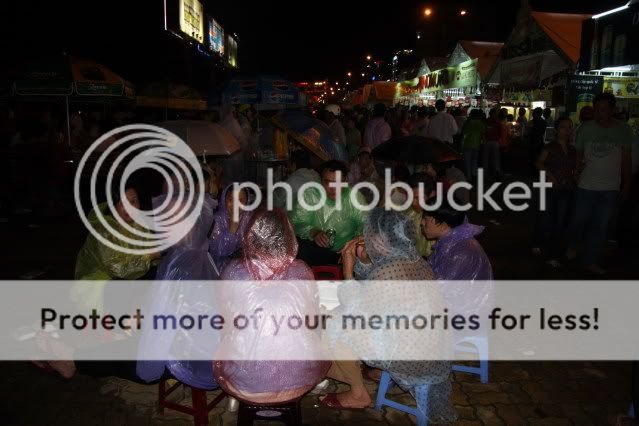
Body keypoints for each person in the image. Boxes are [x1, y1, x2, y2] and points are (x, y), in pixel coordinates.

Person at [320, 209, 455, 422]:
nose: (366, 237)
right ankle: (354, 373)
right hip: (435, 349)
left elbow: (354, 309)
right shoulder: (416, 261)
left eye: (370, 234)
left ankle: (357, 392)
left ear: (382, 239)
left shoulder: (386, 273)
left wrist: (348, 269)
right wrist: (365, 259)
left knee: (335, 325)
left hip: (409, 357)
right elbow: (377, 284)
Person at [214, 208, 330, 403]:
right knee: (321, 322)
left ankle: (235, 395)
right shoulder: (302, 271)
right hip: (299, 380)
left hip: (245, 384)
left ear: (249, 236)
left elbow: (224, 323)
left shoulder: (233, 272)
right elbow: (312, 321)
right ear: (288, 236)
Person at [137, 176, 220, 388]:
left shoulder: (180, 264)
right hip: (215, 355)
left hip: (191, 360)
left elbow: (162, 328)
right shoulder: (201, 254)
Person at [566, 93, 633, 274]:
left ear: (612, 110)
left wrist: (626, 184)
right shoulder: (586, 128)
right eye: (597, 109)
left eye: (603, 109)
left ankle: (590, 260)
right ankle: (573, 244)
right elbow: (579, 155)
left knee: (600, 226)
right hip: (586, 184)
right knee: (578, 220)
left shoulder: (623, 130)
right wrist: (576, 174)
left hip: (610, 187)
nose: (599, 113)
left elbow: (626, 159)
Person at [73, 185, 157, 312]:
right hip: (100, 285)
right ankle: (117, 320)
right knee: (121, 287)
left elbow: (154, 252)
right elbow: (118, 270)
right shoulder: (104, 231)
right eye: (123, 203)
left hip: (130, 276)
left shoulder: (140, 224)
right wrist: (151, 255)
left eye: (133, 201)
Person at [290, 160, 368, 266]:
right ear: (320, 181)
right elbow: (296, 222)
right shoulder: (310, 195)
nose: (333, 188)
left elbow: (366, 224)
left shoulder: (354, 197)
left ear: (345, 181)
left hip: (347, 251)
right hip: (316, 251)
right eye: (327, 182)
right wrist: (314, 233)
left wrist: (354, 244)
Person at [531, 117, 576, 264]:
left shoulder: (572, 149)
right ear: (556, 129)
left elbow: (574, 168)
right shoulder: (550, 147)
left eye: (569, 127)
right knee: (544, 216)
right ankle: (538, 242)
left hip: (566, 188)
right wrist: (550, 175)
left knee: (560, 219)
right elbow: (539, 163)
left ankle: (553, 247)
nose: (567, 130)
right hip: (549, 187)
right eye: (563, 127)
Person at [422, 197, 493, 281]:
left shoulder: (459, 251)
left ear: (443, 225)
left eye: (425, 219)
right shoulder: (451, 242)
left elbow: (442, 285)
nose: (422, 223)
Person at [208, 184, 252, 271]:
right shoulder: (217, 220)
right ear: (224, 200)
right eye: (231, 200)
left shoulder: (250, 219)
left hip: (244, 270)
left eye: (240, 200)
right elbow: (218, 252)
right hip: (220, 271)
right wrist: (232, 230)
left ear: (247, 202)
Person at [461, 109, 485, 180]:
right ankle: (474, 174)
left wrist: (461, 145)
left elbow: (464, 134)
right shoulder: (481, 124)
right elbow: (483, 135)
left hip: (467, 144)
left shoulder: (467, 123)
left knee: (467, 162)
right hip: (477, 145)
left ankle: (469, 177)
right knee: (474, 161)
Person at [483, 108, 502, 180]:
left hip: (487, 141)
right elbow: (500, 132)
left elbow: (484, 131)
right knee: (496, 158)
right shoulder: (498, 122)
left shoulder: (486, 121)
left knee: (486, 158)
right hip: (495, 141)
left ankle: (486, 173)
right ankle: (496, 172)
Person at [529, 107, 547, 175]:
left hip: (534, 142)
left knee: (533, 158)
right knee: (539, 159)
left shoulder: (534, 122)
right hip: (540, 141)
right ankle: (538, 174)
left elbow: (531, 132)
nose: (533, 114)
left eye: (534, 113)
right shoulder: (544, 122)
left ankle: (533, 173)